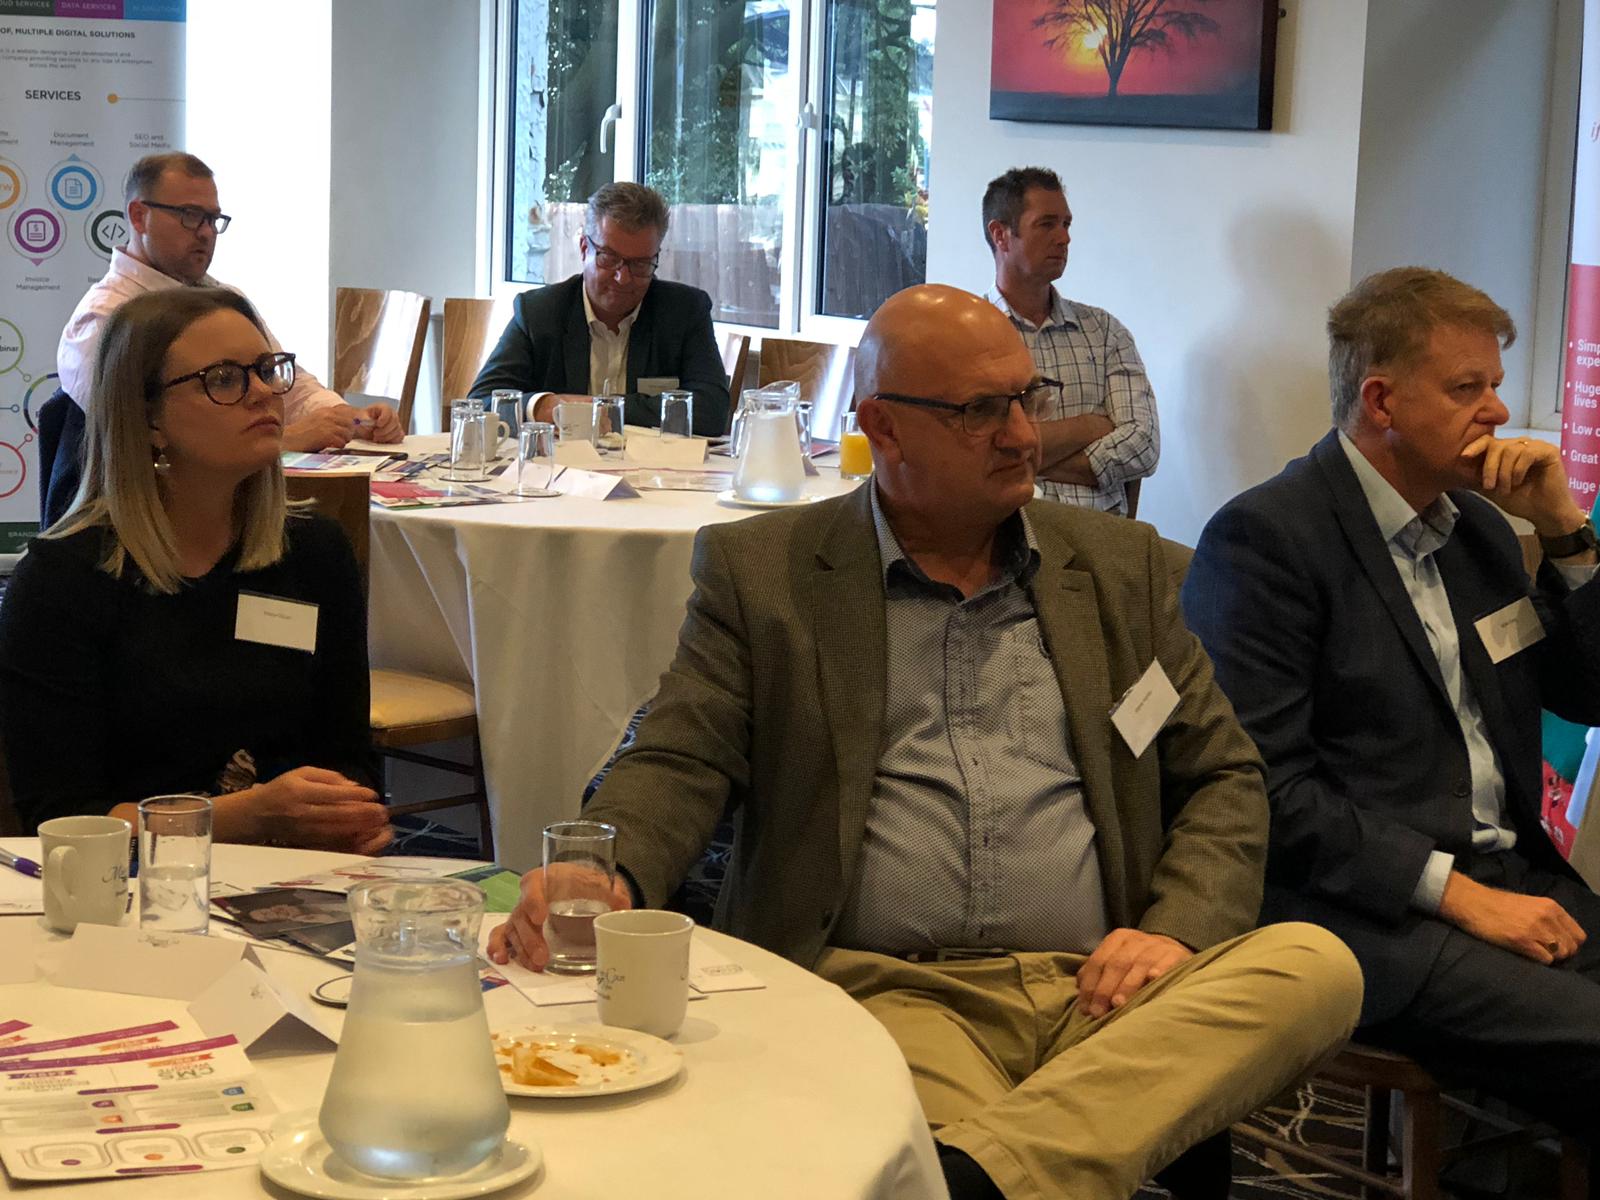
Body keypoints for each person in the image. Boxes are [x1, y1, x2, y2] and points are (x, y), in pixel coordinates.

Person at [489, 285, 1362, 1200]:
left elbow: (1224, 775)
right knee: (955, 1112)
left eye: (1026, 399)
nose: (1024, 436)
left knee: (1315, 967)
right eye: (981, 411)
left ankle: (983, 1170)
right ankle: (1018, 1159)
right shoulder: (770, 575)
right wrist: (607, 871)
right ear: (884, 428)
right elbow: (681, 753)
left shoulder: (1118, 567)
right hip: (897, 992)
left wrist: (1175, 928)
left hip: (1110, 989)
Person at [1182, 267, 1600, 1150]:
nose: (1497, 411)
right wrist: (1458, 897)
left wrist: (1565, 531)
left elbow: (1587, 692)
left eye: (1495, 384)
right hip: (1369, 912)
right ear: (1381, 401)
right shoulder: (1268, 539)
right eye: (1466, 388)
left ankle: (1496, 1168)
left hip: (1511, 878)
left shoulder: (1479, 530)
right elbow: (1266, 792)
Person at [2, 286, 392, 855]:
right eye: (225, 379)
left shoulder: (315, 554)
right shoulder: (62, 582)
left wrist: (348, 816)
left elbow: (348, 758)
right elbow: (64, 821)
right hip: (130, 887)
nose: (263, 393)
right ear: (148, 419)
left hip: (298, 872)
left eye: (267, 370)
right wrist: (248, 817)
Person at [57, 152, 403, 454]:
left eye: (212, 219)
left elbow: (286, 384)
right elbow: (134, 444)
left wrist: (349, 419)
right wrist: (286, 439)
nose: (206, 232)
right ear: (138, 216)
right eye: (190, 215)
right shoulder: (102, 319)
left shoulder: (227, 301)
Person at [469, 182, 731, 436]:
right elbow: (480, 404)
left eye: (640, 264)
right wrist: (541, 406)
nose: (623, 278)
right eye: (609, 258)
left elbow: (711, 411)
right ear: (585, 249)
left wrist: (601, 409)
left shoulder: (684, 312)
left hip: (654, 464)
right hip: (560, 464)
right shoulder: (539, 312)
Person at [983, 167, 1158, 515]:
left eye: (1066, 224)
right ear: (1001, 235)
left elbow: (1143, 444)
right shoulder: (970, 334)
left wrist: (1027, 460)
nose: (1064, 238)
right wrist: (1089, 426)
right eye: (1047, 224)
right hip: (1007, 528)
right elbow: (973, 451)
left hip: (1098, 532)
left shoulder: (1104, 331)